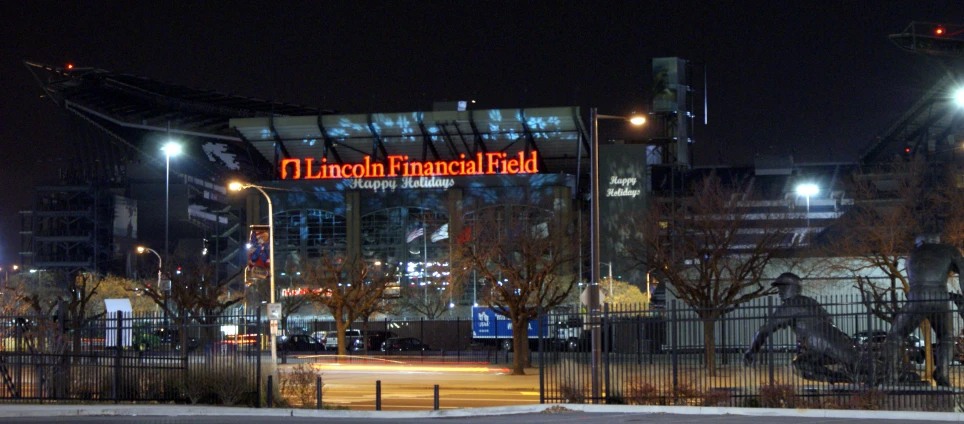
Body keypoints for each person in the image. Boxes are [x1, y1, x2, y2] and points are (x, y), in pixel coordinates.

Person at [744, 273, 858, 383]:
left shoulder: (791, 305)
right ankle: (846, 378)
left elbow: (765, 329)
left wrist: (752, 350)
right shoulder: (810, 301)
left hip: (819, 342)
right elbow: (828, 318)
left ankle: (844, 378)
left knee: (801, 365)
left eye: (782, 288)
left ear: (791, 288)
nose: (779, 293)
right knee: (854, 364)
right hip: (833, 337)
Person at [884, 233, 964, 386]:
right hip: (940, 296)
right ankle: (943, 374)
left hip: (917, 296)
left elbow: (911, 276)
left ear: (920, 241)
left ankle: (891, 376)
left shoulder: (912, 255)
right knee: (946, 337)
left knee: (895, 335)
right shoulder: (949, 250)